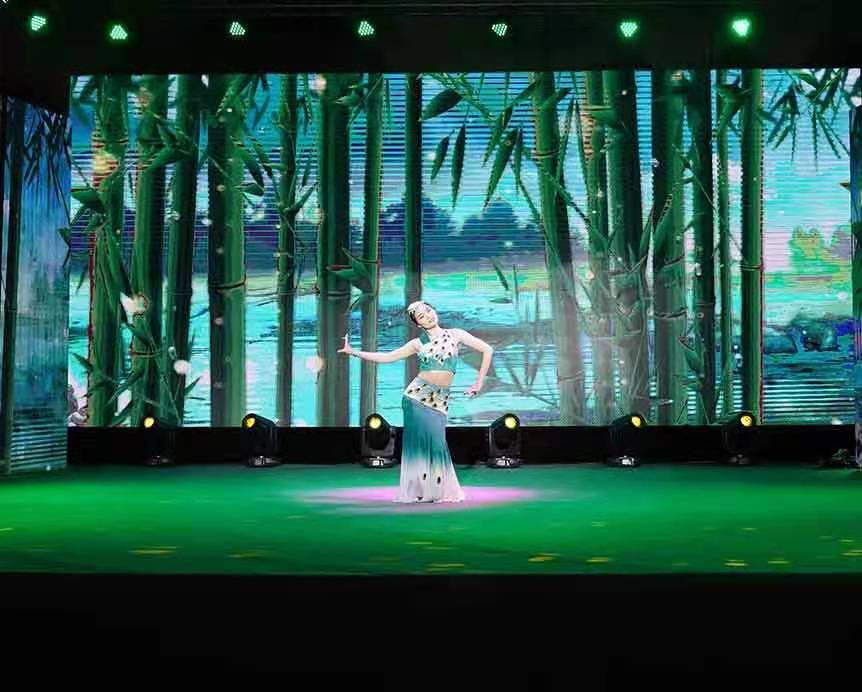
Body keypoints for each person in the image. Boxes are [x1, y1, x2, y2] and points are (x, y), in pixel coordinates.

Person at [338, 300, 494, 503]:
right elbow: (387, 357)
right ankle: (421, 490)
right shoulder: (417, 343)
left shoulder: (456, 334)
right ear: (418, 324)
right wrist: (353, 352)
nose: (428, 316)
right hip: (416, 398)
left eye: (428, 311)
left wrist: (479, 383)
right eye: (421, 316)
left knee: (437, 444)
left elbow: (487, 350)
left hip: (440, 399)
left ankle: (438, 491)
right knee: (419, 447)